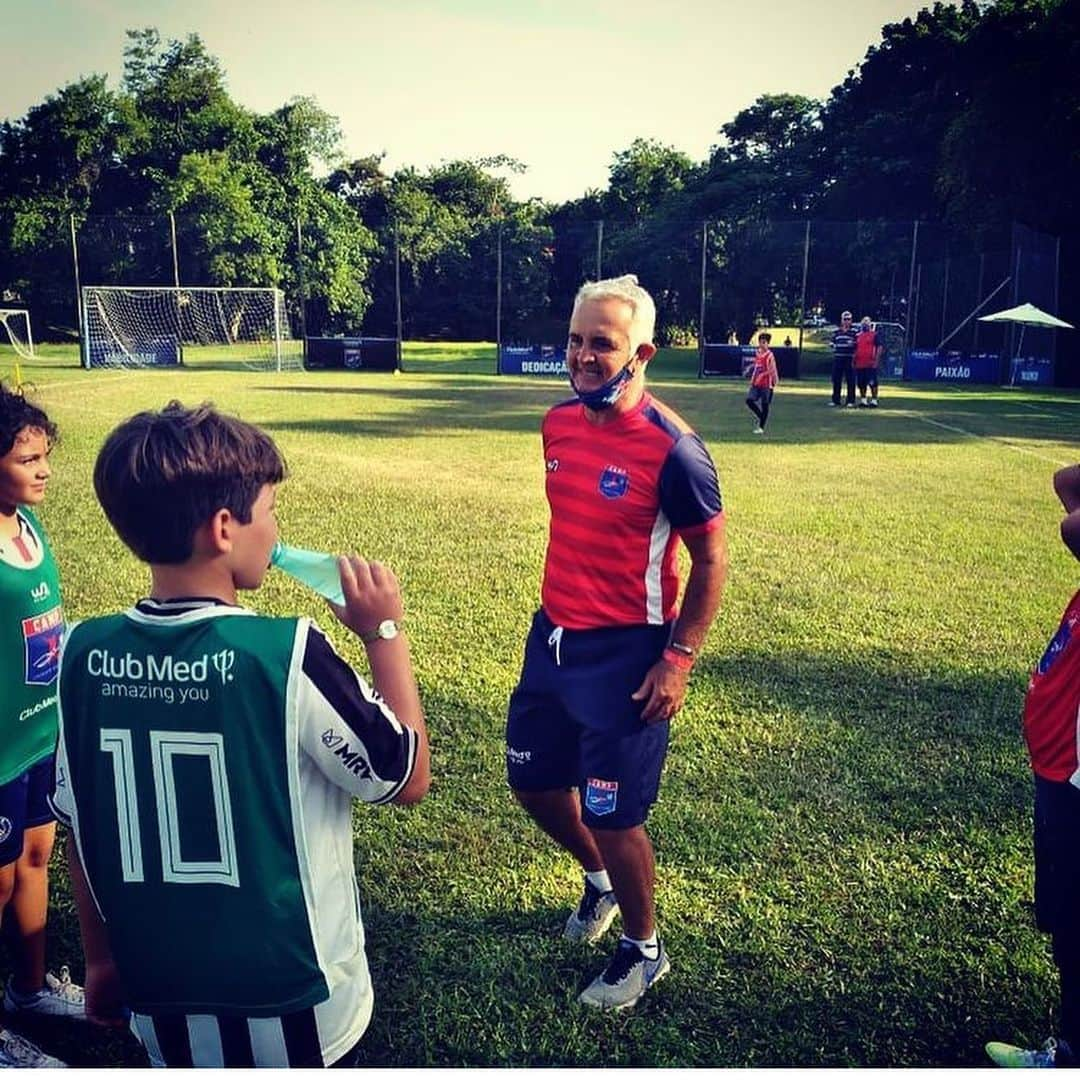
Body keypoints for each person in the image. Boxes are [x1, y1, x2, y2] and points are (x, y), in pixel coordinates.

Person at [50, 401, 430, 1067]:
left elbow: (79, 827)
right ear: (225, 527)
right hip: (301, 1008)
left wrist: (100, 958)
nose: (277, 528)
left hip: (161, 1001)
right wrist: (383, 633)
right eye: (272, 509)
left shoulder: (80, 653)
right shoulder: (284, 654)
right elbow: (405, 775)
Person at [506, 275, 727, 1011]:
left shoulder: (676, 451)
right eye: (575, 339)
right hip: (553, 641)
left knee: (614, 813)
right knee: (533, 783)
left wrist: (678, 658)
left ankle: (644, 947)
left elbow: (712, 560)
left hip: (630, 655)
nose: (583, 355)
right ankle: (596, 881)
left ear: (641, 353)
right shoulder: (557, 423)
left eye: (602, 343)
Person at [0, 384, 86, 1070]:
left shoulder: (31, 528)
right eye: (27, 457)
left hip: (40, 734)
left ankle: (28, 992)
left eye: (44, 455)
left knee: (36, 859)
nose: (44, 469)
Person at [985, 464, 1080, 1069]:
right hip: (1061, 768)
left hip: (1076, 776)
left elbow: (1075, 521)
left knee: (1076, 920)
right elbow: (1065, 481)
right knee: (1069, 917)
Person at [745, 331, 779, 435]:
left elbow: (772, 370)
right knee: (749, 400)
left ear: (768, 344)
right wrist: (750, 370)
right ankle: (761, 416)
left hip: (766, 384)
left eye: (764, 342)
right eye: (760, 342)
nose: (762, 344)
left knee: (765, 405)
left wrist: (766, 377)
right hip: (756, 383)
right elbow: (756, 365)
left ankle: (761, 427)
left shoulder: (770, 355)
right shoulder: (758, 353)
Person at [830, 311, 857, 408]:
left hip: (849, 358)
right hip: (838, 358)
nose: (847, 321)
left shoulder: (854, 332)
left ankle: (850, 401)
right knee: (836, 379)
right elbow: (832, 342)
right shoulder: (836, 332)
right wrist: (833, 345)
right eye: (845, 319)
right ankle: (835, 400)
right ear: (841, 320)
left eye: (848, 319)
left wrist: (853, 344)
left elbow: (858, 344)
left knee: (851, 380)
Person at [853, 316, 882, 407]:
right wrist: (854, 360)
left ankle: (874, 400)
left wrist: (876, 360)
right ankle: (863, 400)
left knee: (872, 382)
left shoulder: (874, 335)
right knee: (861, 383)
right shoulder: (858, 335)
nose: (865, 324)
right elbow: (855, 348)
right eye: (864, 322)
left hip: (870, 363)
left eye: (867, 322)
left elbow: (879, 347)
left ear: (870, 324)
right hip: (860, 363)